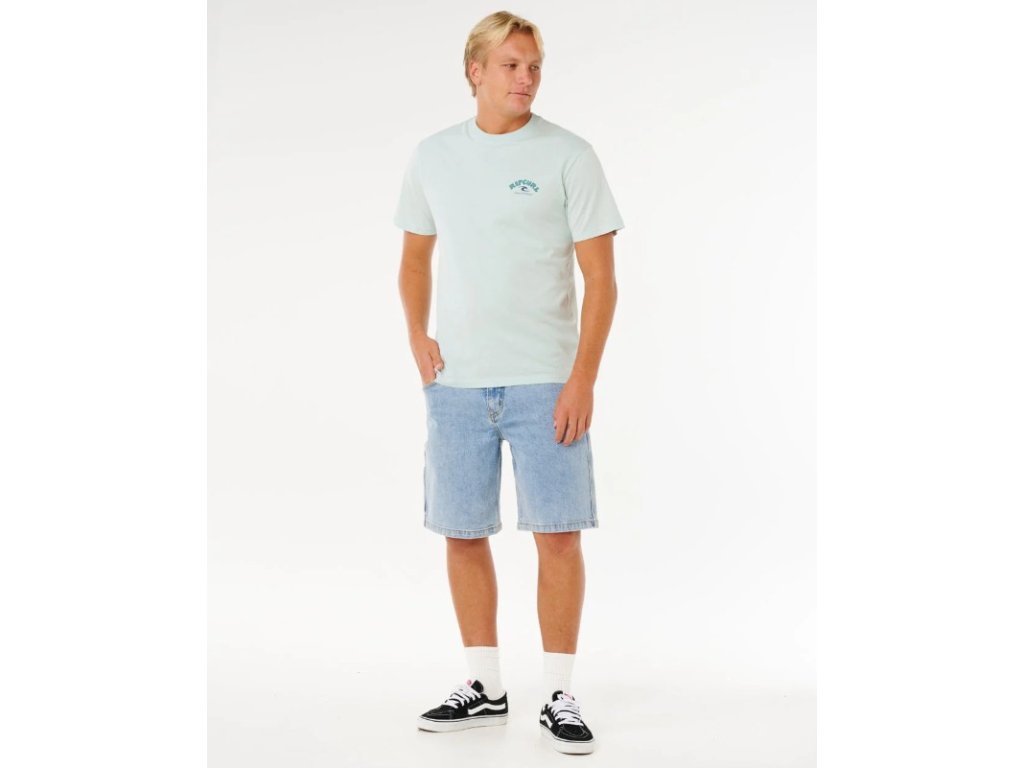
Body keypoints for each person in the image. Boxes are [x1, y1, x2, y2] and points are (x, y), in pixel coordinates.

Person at [393, 10, 623, 756]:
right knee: (463, 533)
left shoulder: (569, 155)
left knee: (558, 535)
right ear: (476, 71)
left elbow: (601, 280)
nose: (526, 79)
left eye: (534, 67)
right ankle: (485, 686)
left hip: (545, 383)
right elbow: (415, 258)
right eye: (511, 65)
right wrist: (418, 337)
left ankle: (558, 693)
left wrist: (582, 378)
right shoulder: (433, 156)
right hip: (457, 386)